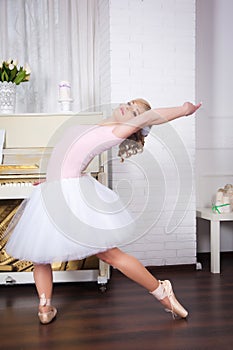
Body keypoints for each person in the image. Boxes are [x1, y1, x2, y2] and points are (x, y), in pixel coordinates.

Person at [5, 98, 201, 324]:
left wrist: (184, 110)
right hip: (53, 191)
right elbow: (69, 155)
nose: (127, 108)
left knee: (110, 254)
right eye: (129, 103)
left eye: (134, 112)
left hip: (71, 196)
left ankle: (162, 292)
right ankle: (44, 306)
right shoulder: (98, 126)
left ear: (136, 123)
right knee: (40, 255)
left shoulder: (118, 130)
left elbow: (151, 116)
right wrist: (51, 180)